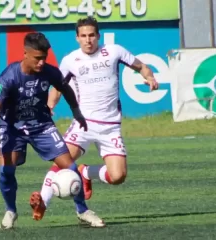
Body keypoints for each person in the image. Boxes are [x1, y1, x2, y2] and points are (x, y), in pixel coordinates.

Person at [30, 17, 159, 218]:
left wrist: (149, 77)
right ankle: (43, 203)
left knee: (118, 177)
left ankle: (85, 173)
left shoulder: (114, 51)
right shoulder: (70, 60)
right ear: (77, 38)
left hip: (110, 127)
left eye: (91, 35)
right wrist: (49, 106)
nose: (88, 40)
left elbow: (141, 66)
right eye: (83, 36)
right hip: (83, 124)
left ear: (98, 36)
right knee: (63, 160)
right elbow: (58, 88)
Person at [0, 32, 105, 229]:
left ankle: (83, 211)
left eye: (44, 58)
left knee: (71, 167)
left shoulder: (50, 72)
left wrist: (77, 113)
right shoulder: (9, 76)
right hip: (12, 127)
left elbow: (66, 89)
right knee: (6, 170)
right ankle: (10, 211)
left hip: (41, 125)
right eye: (37, 58)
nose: (41, 63)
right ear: (25, 53)